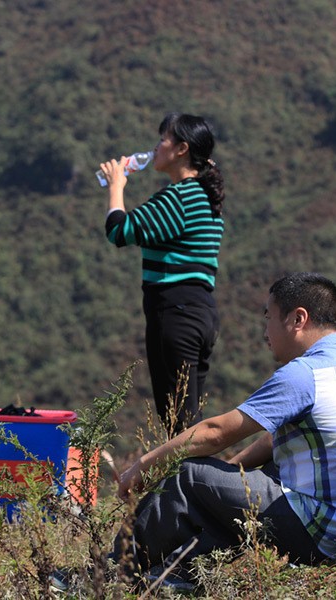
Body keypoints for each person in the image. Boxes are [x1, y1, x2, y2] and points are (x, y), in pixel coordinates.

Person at [113, 272, 336, 585]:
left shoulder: (304, 374)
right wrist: (224, 477)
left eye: (269, 317)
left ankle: (112, 573)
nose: (265, 332)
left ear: (298, 318)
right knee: (227, 480)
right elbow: (281, 439)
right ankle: (182, 573)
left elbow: (216, 433)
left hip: (325, 534)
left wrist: (142, 466)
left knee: (187, 476)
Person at [100, 113, 225, 435]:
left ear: (182, 149)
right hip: (200, 311)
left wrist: (117, 186)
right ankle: (186, 480)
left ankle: (180, 483)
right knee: (187, 418)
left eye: (163, 140)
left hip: (176, 312)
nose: (156, 147)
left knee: (177, 421)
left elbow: (119, 231)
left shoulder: (179, 197)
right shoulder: (204, 198)